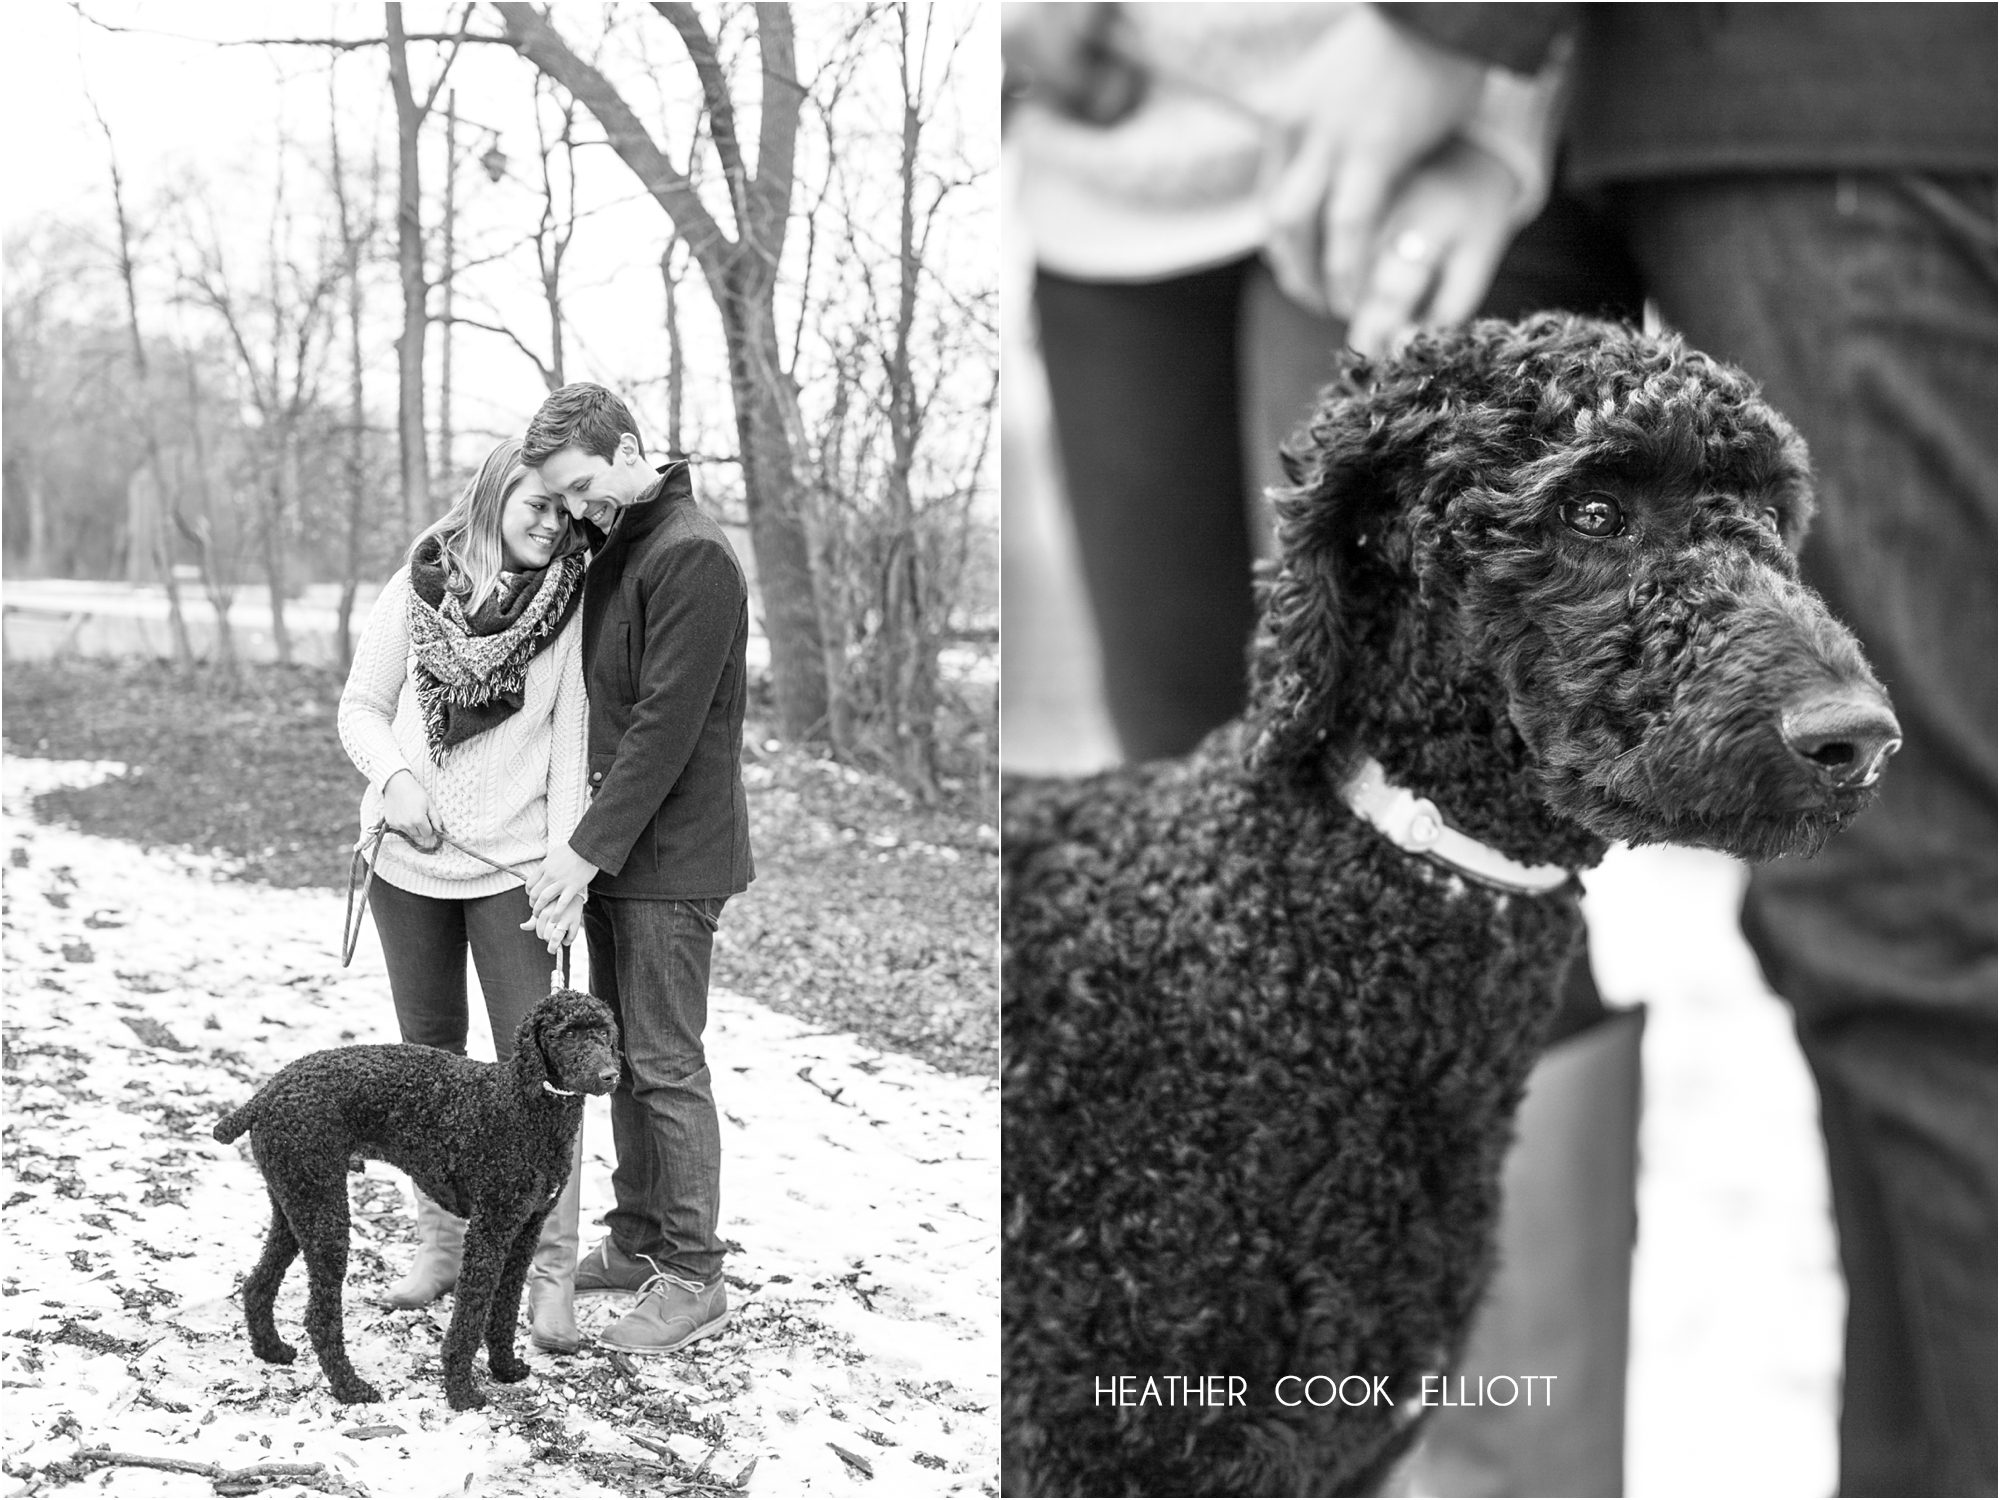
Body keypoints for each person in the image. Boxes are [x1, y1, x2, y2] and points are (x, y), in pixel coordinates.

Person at [1300, 6, 1998, 1493]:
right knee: (1402, 840)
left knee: (1911, 908)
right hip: (1558, 113)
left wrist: (1448, 26)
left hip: (1796, 70)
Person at [336, 437, 591, 1353]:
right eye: (536, 506)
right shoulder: (416, 587)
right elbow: (360, 709)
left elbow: (570, 752)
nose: (552, 525)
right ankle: (440, 1246)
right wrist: (397, 781)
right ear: (492, 499)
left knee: (548, 1084)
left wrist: (565, 871)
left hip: (513, 875)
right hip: (407, 866)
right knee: (428, 1069)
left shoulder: (569, 606)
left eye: (563, 511)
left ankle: (550, 1277)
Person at [520, 382, 754, 1356]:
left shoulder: (692, 554)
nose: (576, 508)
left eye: (582, 485)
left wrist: (582, 851)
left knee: (665, 1064)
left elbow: (664, 729)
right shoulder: (622, 542)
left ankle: (694, 1276)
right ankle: (636, 1238)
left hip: (672, 858)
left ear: (628, 450)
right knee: (622, 1063)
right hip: (621, 854)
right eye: (564, 496)